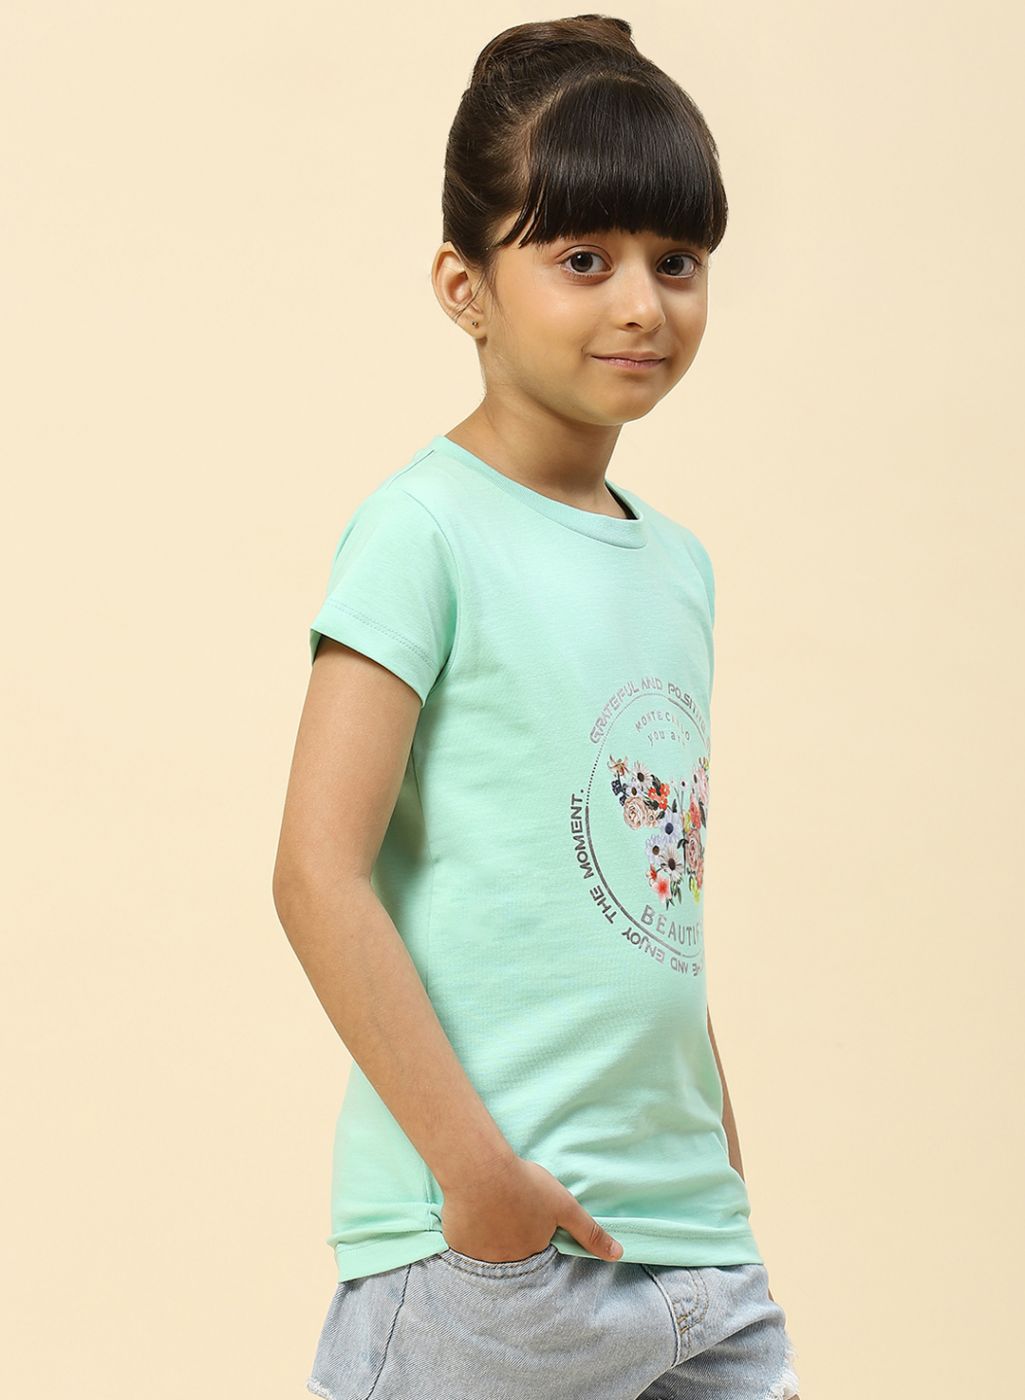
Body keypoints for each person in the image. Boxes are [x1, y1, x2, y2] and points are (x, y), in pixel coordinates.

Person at [273, 13, 801, 1400]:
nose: (642, 304)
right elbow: (316, 871)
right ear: (465, 286)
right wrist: (474, 1178)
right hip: (495, 1262)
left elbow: (650, 895)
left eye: (675, 261)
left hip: (694, 1249)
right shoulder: (423, 532)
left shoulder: (677, 567)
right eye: (582, 260)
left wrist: (719, 1165)